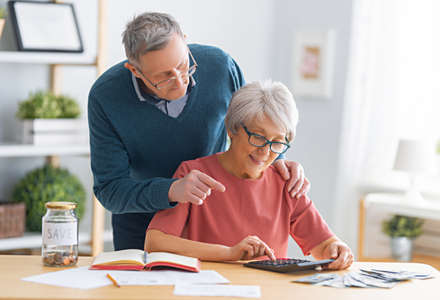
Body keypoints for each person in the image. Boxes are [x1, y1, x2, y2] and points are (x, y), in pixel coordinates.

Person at [88, 12, 310, 250]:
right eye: (164, 77)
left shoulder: (221, 67)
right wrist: (172, 189)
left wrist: (279, 160)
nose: (180, 81)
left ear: (184, 40)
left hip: (214, 222)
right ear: (135, 71)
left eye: (184, 66)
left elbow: (252, 124)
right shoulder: (106, 97)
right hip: (142, 229)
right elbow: (110, 190)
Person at [145, 80, 354, 270]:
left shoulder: (286, 182)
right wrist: (228, 253)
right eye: (258, 137)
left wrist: (337, 249)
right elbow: (155, 242)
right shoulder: (194, 174)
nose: (265, 151)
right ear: (232, 129)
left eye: (277, 142)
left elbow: (323, 245)